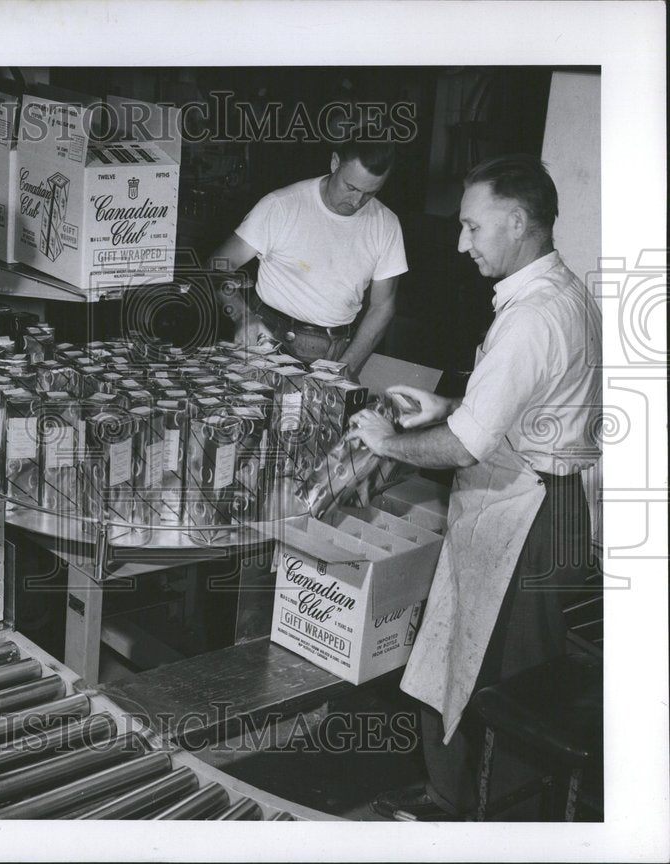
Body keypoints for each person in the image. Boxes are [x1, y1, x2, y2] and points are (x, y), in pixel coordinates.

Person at [346, 154, 601, 820]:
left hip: (529, 515)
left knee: (503, 686)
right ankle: (447, 798)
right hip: (535, 501)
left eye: (472, 227)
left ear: (517, 222)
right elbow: (509, 406)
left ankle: (492, 824)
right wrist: (445, 406)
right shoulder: (557, 292)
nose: (462, 244)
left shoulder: (532, 316)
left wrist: (387, 442)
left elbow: (466, 445)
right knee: (461, 655)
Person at [206, 133, 407, 374]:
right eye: (350, 187)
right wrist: (242, 316)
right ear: (334, 163)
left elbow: (382, 307)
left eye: (370, 193)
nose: (356, 202)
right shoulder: (282, 205)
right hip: (267, 339)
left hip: (335, 350)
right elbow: (216, 266)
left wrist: (345, 368)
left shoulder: (387, 225)